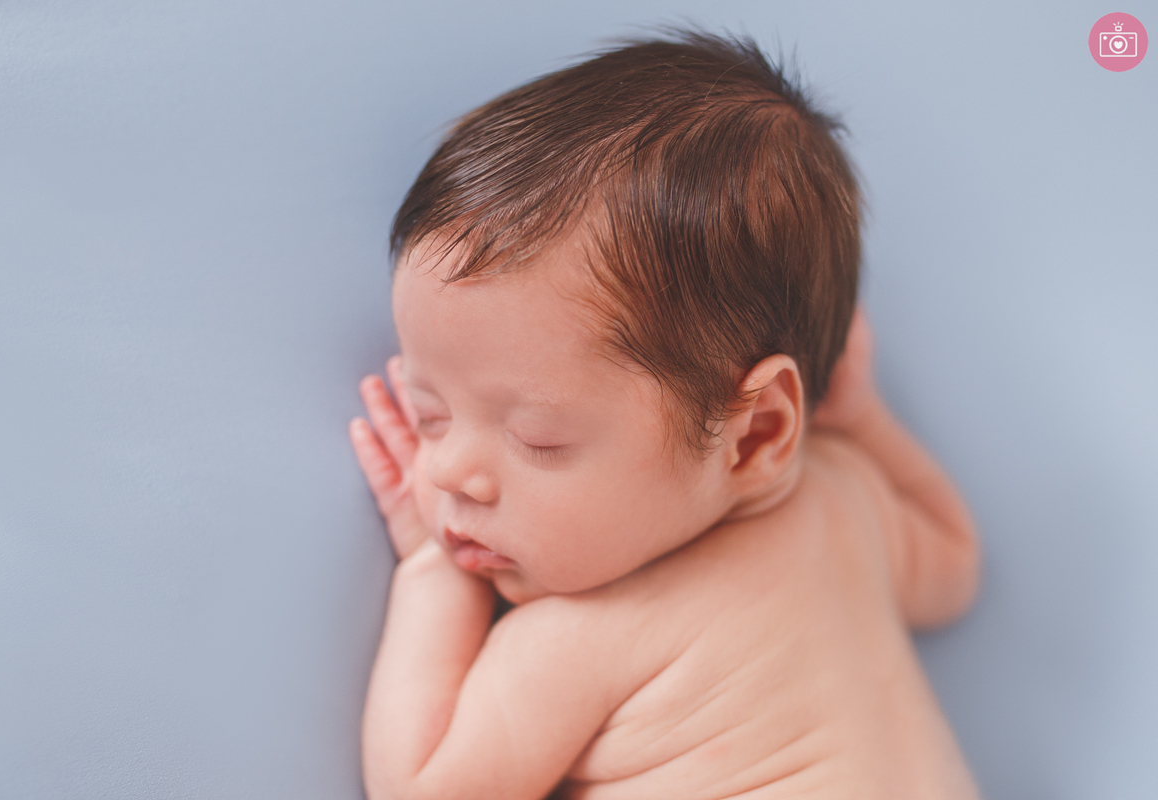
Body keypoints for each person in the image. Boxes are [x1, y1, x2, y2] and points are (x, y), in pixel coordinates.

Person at [350, 25, 981, 799]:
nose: (446, 470)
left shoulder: (582, 636)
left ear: (756, 432)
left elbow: (423, 790)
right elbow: (953, 565)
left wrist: (430, 571)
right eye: (429, 412)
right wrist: (863, 422)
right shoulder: (847, 500)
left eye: (535, 438)